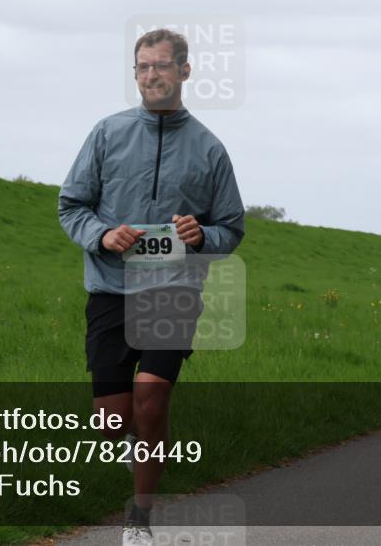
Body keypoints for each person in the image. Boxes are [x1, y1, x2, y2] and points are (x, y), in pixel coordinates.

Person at [59, 28, 245, 546]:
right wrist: (102, 234)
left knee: (151, 399)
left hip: (174, 292)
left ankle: (139, 521)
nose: (150, 76)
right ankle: (138, 449)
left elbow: (231, 228)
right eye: (142, 67)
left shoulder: (209, 149)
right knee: (112, 422)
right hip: (111, 291)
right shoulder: (106, 134)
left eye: (161, 66)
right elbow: (70, 205)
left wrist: (201, 234)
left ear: (185, 72)